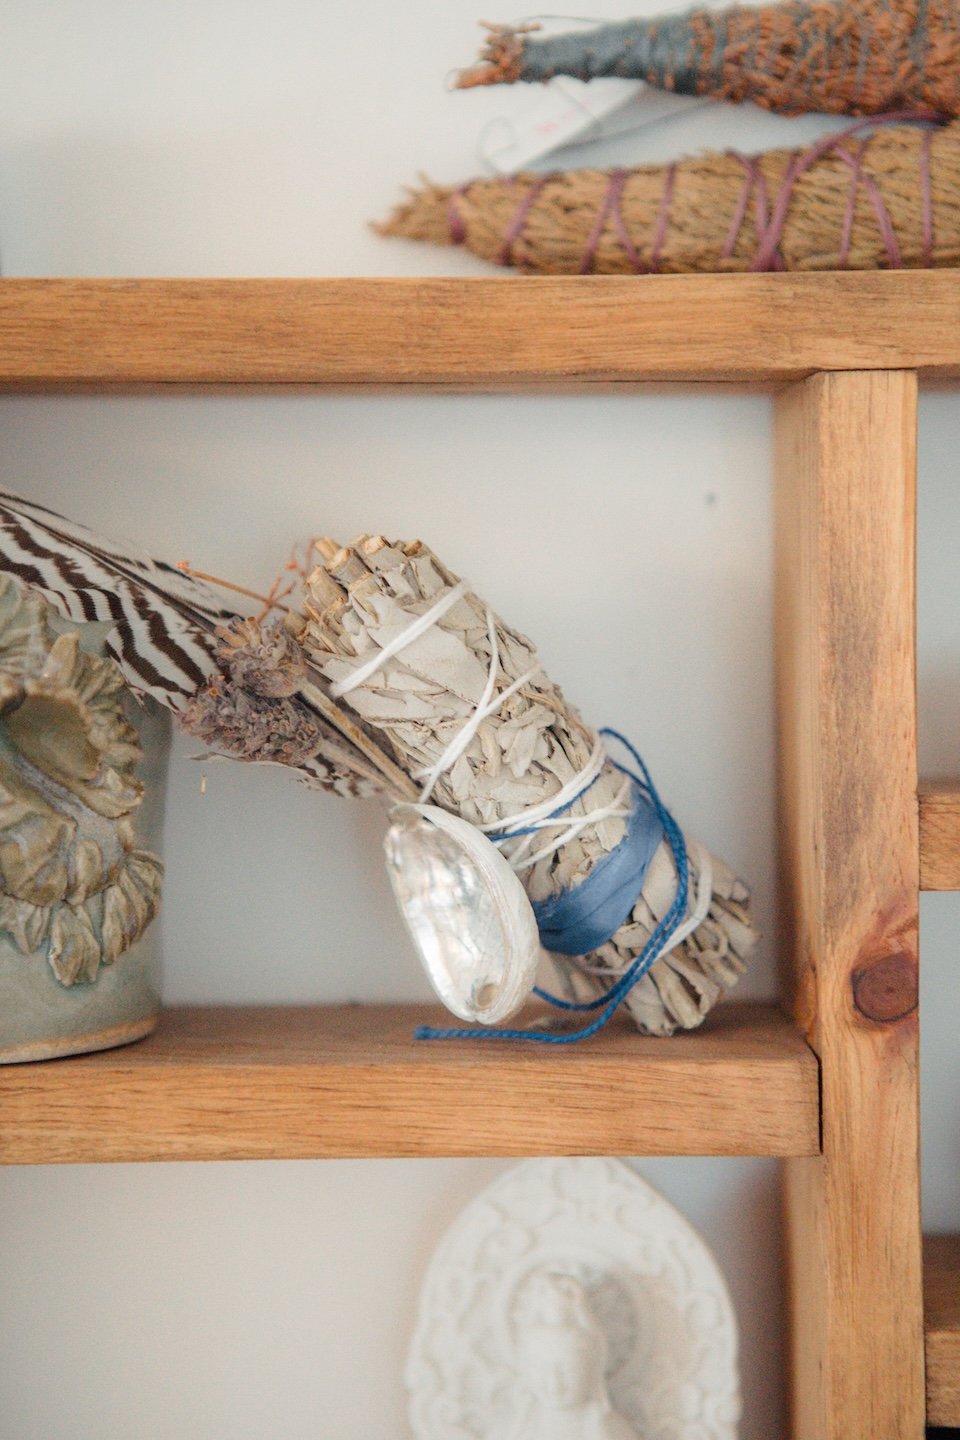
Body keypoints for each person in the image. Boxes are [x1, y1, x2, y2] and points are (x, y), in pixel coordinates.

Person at [488, 1273, 640, 1439]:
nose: (554, 1385)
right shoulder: (508, 1431)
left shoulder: (611, 1432)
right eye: (541, 1370)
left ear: (592, 1368)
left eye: (569, 1371)